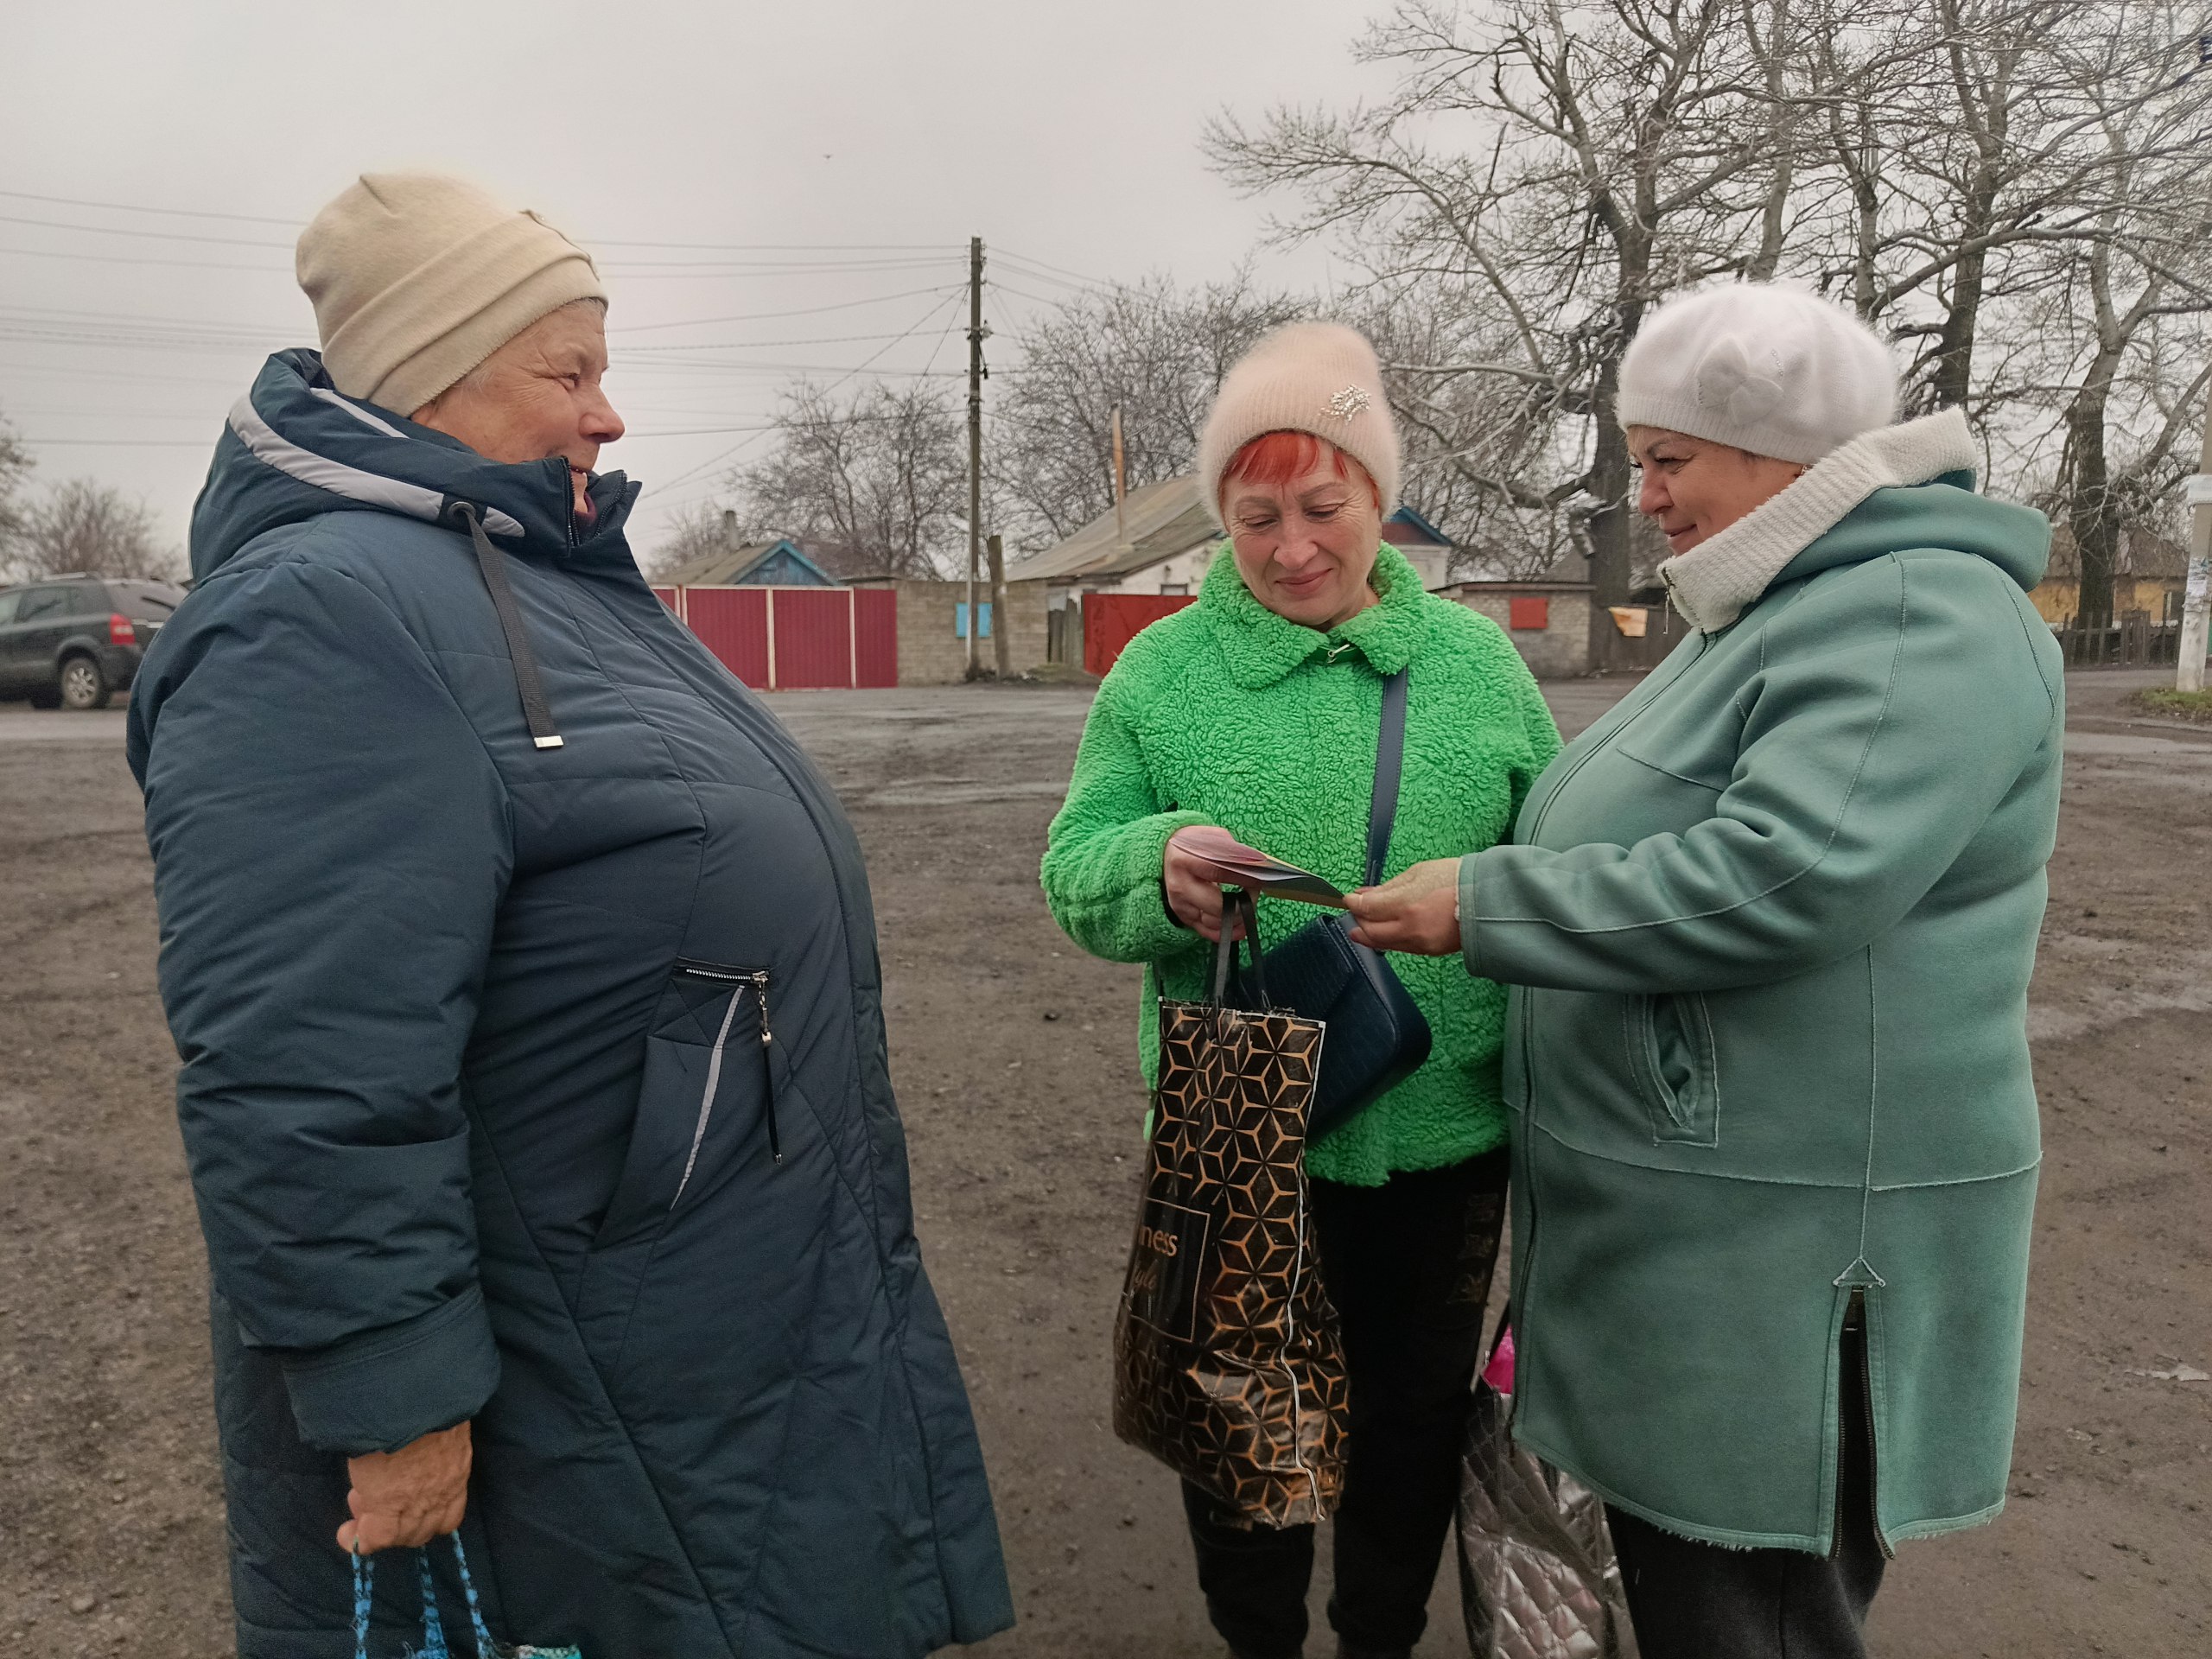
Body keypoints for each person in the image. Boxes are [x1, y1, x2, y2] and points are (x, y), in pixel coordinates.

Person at [127, 172, 1012, 1658]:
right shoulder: (323, 614)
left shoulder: (546, 578)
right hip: (574, 1374)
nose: (609, 414)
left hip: (692, 1316)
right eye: (569, 372)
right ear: (427, 379)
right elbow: (305, 1063)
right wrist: (392, 1394)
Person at [1349, 283, 2063, 1659]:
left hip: (1785, 1255)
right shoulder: (1786, 603)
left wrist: (1489, 905)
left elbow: (1791, 874)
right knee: (1688, 1606)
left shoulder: (1912, 611)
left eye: (1670, 458)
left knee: (1753, 1621)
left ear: (1782, 449)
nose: (1649, 495)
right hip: (1715, 1234)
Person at [1040, 321, 1561, 1659]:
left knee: (1410, 1424)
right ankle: (1258, 1641)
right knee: (1235, 1416)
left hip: (1446, 1141)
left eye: (1323, 508)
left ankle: (1378, 1637)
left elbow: (1558, 869)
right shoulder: (1162, 673)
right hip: (1239, 1141)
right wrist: (1157, 866)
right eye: (1255, 517)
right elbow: (1073, 871)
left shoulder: (1478, 667)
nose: (1290, 549)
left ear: (1379, 498)